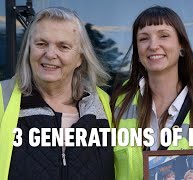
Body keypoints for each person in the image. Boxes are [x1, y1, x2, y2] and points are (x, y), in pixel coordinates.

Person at [111, 5, 193, 180]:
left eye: (164, 36)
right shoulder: (116, 106)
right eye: (144, 39)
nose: (153, 45)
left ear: (181, 46)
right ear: (137, 52)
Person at [0, 7, 115, 179]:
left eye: (63, 46)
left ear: (80, 59)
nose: (50, 54)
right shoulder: (3, 97)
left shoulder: (103, 104)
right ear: (28, 50)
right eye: (41, 44)